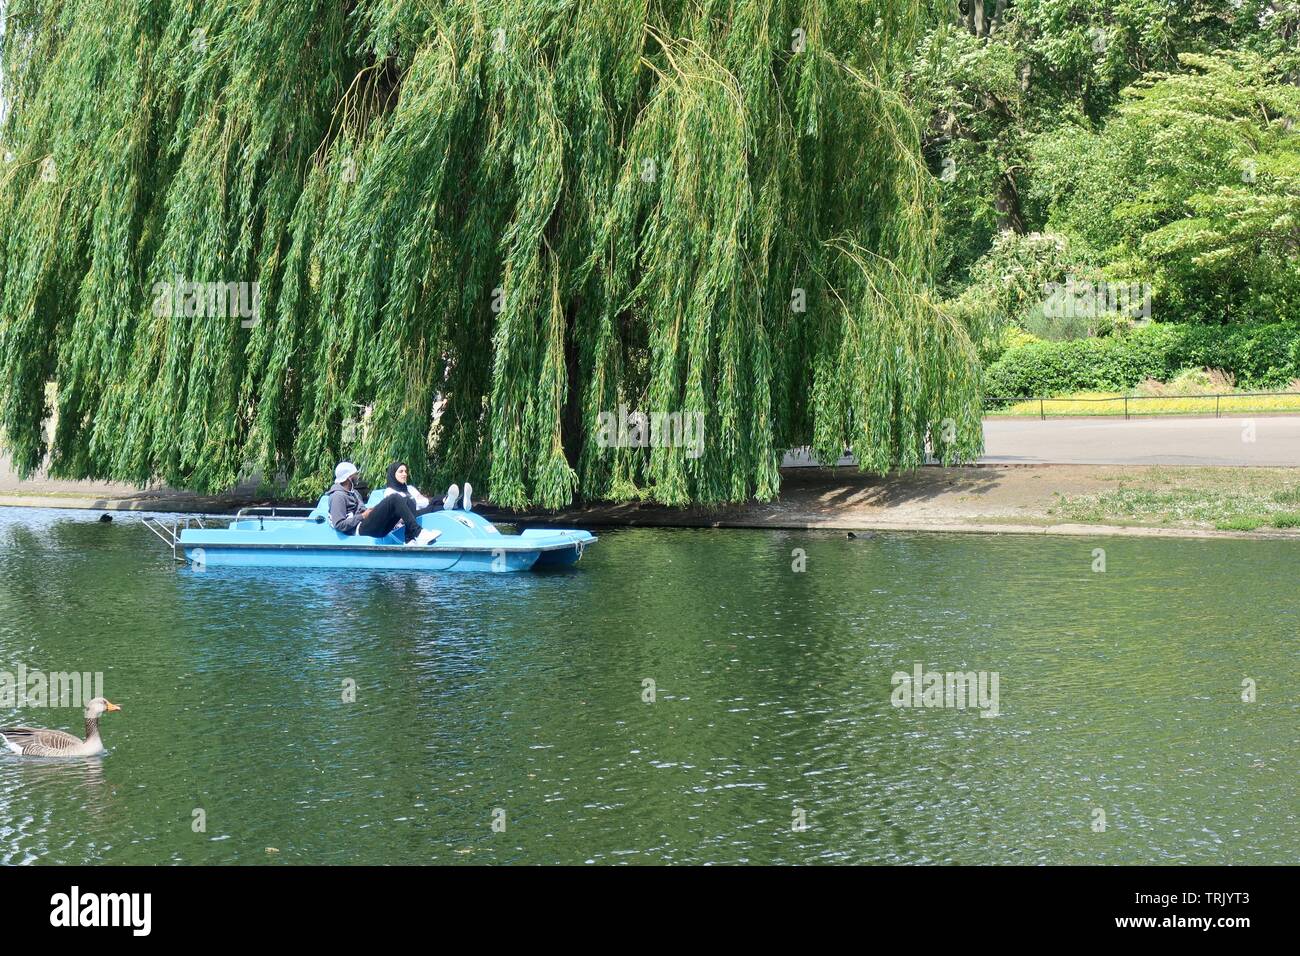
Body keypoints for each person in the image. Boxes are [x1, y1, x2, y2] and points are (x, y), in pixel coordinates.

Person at [327, 461, 438, 546]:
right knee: (394, 497)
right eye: (355, 474)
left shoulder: (354, 492)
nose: (358, 476)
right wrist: (362, 516)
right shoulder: (337, 496)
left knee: (408, 499)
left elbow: (362, 510)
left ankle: (410, 540)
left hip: (368, 524)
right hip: (359, 529)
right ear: (349, 477)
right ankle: (419, 533)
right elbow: (339, 525)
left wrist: (370, 511)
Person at [384, 461, 474, 513]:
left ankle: (460, 502)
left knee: (436, 499)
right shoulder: (390, 492)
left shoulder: (410, 488)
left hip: (422, 508)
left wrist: (420, 501)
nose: (405, 474)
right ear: (393, 474)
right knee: (432, 508)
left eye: (405, 471)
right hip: (411, 516)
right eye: (401, 471)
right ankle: (451, 504)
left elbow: (425, 501)